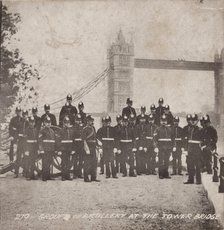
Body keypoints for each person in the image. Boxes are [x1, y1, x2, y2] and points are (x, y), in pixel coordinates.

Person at [184, 114, 202, 184]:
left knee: (197, 165)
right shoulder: (189, 129)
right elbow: (187, 140)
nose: (193, 122)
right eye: (192, 120)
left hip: (197, 150)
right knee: (190, 165)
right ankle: (190, 179)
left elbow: (202, 140)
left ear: (197, 121)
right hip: (190, 149)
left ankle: (198, 180)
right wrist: (186, 149)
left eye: (194, 120)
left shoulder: (200, 129)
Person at [154, 114, 173, 179]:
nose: (164, 122)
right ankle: (161, 174)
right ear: (160, 121)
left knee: (167, 161)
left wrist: (172, 147)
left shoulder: (169, 129)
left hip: (168, 147)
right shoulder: (157, 129)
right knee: (161, 161)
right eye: (162, 120)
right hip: (161, 147)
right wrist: (156, 147)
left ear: (167, 121)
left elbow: (172, 139)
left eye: (165, 120)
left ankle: (166, 174)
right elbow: (154, 139)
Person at [82, 115, 99, 182]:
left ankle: (93, 177)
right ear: (87, 121)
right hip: (88, 147)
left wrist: (97, 146)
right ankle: (86, 178)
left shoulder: (93, 128)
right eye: (90, 121)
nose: (92, 122)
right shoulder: (85, 129)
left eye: (92, 121)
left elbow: (95, 138)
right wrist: (86, 149)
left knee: (94, 163)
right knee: (87, 163)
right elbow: (84, 140)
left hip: (93, 147)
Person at [39, 116, 56, 181]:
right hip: (45, 149)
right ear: (44, 123)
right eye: (47, 122)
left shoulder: (52, 131)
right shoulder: (42, 131)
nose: (48, 124)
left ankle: (48, 176)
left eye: (49, 122)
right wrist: (41, 149)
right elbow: (40, 140)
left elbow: (53, 140)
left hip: (51, 149)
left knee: (49, 163)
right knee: (45, 163)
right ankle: (44, 176)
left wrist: (54, 149)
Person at [58, 116, 74, 181]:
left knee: (68, 163)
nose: (67, 124)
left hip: (69, 149)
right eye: (65, 123)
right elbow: (58, 141)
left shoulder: (71, 131)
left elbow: (72, 141)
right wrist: (59, 149)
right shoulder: (61, 131)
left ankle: (67, 175)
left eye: (68, 123)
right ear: (63, 123)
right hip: (63, 149)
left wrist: (73, 149)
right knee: (64, 163)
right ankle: (63, 176)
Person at [14, 110, 29, 178]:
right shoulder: (19, 123)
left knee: (26, 157)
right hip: (20, 142)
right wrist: (15, 141)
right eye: (23, 115)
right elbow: (16, 132)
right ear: (22, 115)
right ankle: (16, 172)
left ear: (27, 115)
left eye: (26, 115)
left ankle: (25, 172)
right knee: (18, 157)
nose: (25, 116)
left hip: (26, 142)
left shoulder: (29, 123)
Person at [73, 114, 85, 178]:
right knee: (75, 160)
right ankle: (75, 173)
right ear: (75, 120)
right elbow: (72, 138)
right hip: (75, 145)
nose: (79, 121)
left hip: (81, 145)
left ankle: (79, 173)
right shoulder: (73, 127)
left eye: (80, 120)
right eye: (77, 120)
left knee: (81, 160)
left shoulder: (82, 127)